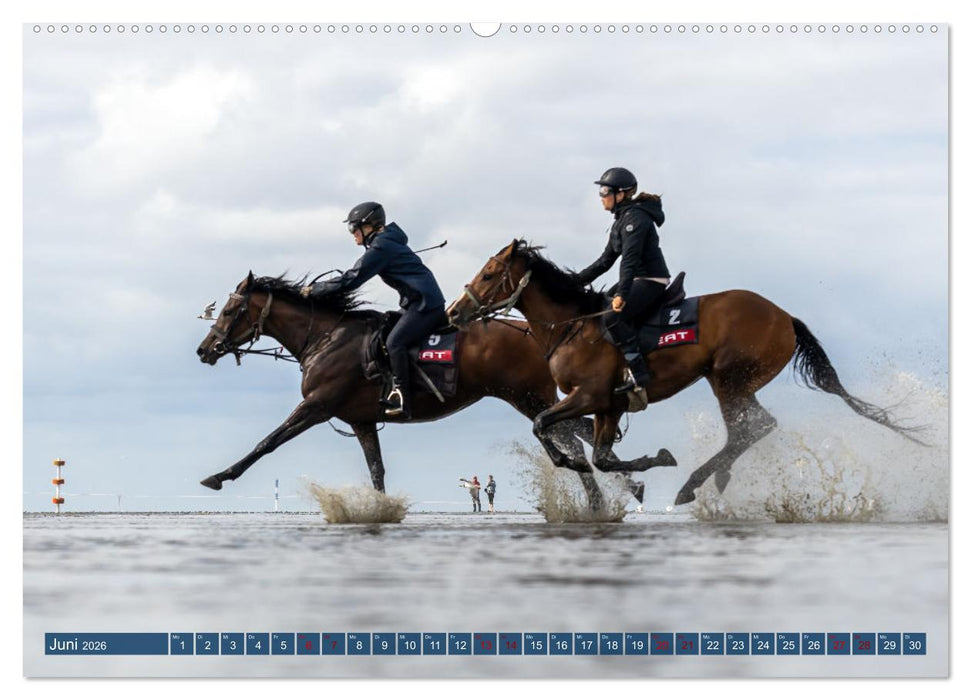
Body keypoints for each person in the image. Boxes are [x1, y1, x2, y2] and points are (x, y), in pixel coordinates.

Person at [301, 202, 446, 419]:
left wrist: (316, 290)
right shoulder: (385, 243)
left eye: (353, 228)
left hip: (425, 305)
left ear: (368, 225)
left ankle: (401, 396)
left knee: (394, 342)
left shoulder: (381, 247)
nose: (352, 235)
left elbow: (352, 279)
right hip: (416, 303)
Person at [572, 167, 671, 394]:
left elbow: (630, 262)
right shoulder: (621, 220)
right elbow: (604, 262)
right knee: (599, 305)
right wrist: (573, 282)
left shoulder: (635, 220)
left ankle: (638, 373)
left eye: (605, 191)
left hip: (651, 279)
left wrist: (621, 295)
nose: (601, 197)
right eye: (601, 191)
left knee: (612, 317)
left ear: (621, 194)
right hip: (636, 277)